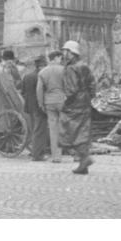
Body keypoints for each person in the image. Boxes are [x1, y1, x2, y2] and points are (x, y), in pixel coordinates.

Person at [59, 41, 96, 175]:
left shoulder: (71, 68)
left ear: (71, 53)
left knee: (71, 131)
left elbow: (71, 89)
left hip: (74, 104)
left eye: (65, 51)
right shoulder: (84, 65)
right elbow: (92, 83)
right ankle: (83, 164)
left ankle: (84, 158)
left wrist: (66, 102)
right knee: (83, 130)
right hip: (85, 101)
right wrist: (89, 97)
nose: (63, 54)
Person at [37, 50, 65, 163]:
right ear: (57, 58)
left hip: (49, 102)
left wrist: (41, 103)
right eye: (60, 58)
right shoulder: (64, 70)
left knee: (53, 130)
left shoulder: (43, 72)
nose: (61, 60)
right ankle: (75, 155)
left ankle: (56, 157)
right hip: (62, 100)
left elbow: (39, 90)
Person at [22, 55, 49, 161]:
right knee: (40, 130)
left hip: (29, 106)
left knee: (34, 129)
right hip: (39, 106)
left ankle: (35, 151)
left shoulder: (27, 76)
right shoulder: (41, 76)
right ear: (42, 66)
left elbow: (23, 91)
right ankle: (37, 155)